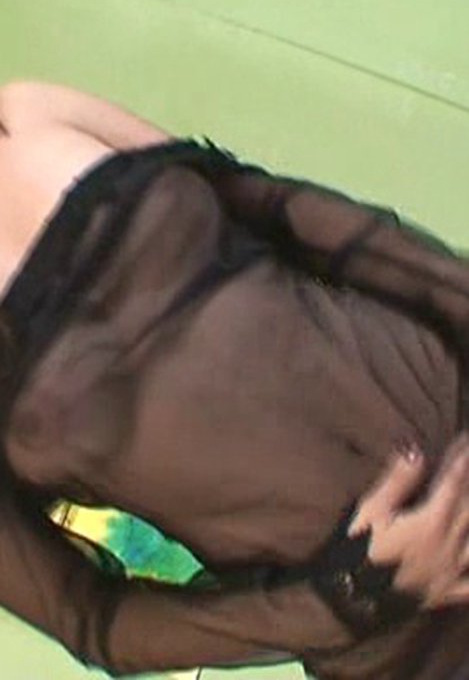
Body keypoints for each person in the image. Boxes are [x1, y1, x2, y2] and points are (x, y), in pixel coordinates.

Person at [1, 81, 469, 680]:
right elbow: (91, 619)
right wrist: (351, 594)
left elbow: (284, 211)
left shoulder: (30, 108)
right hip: (409, 627)